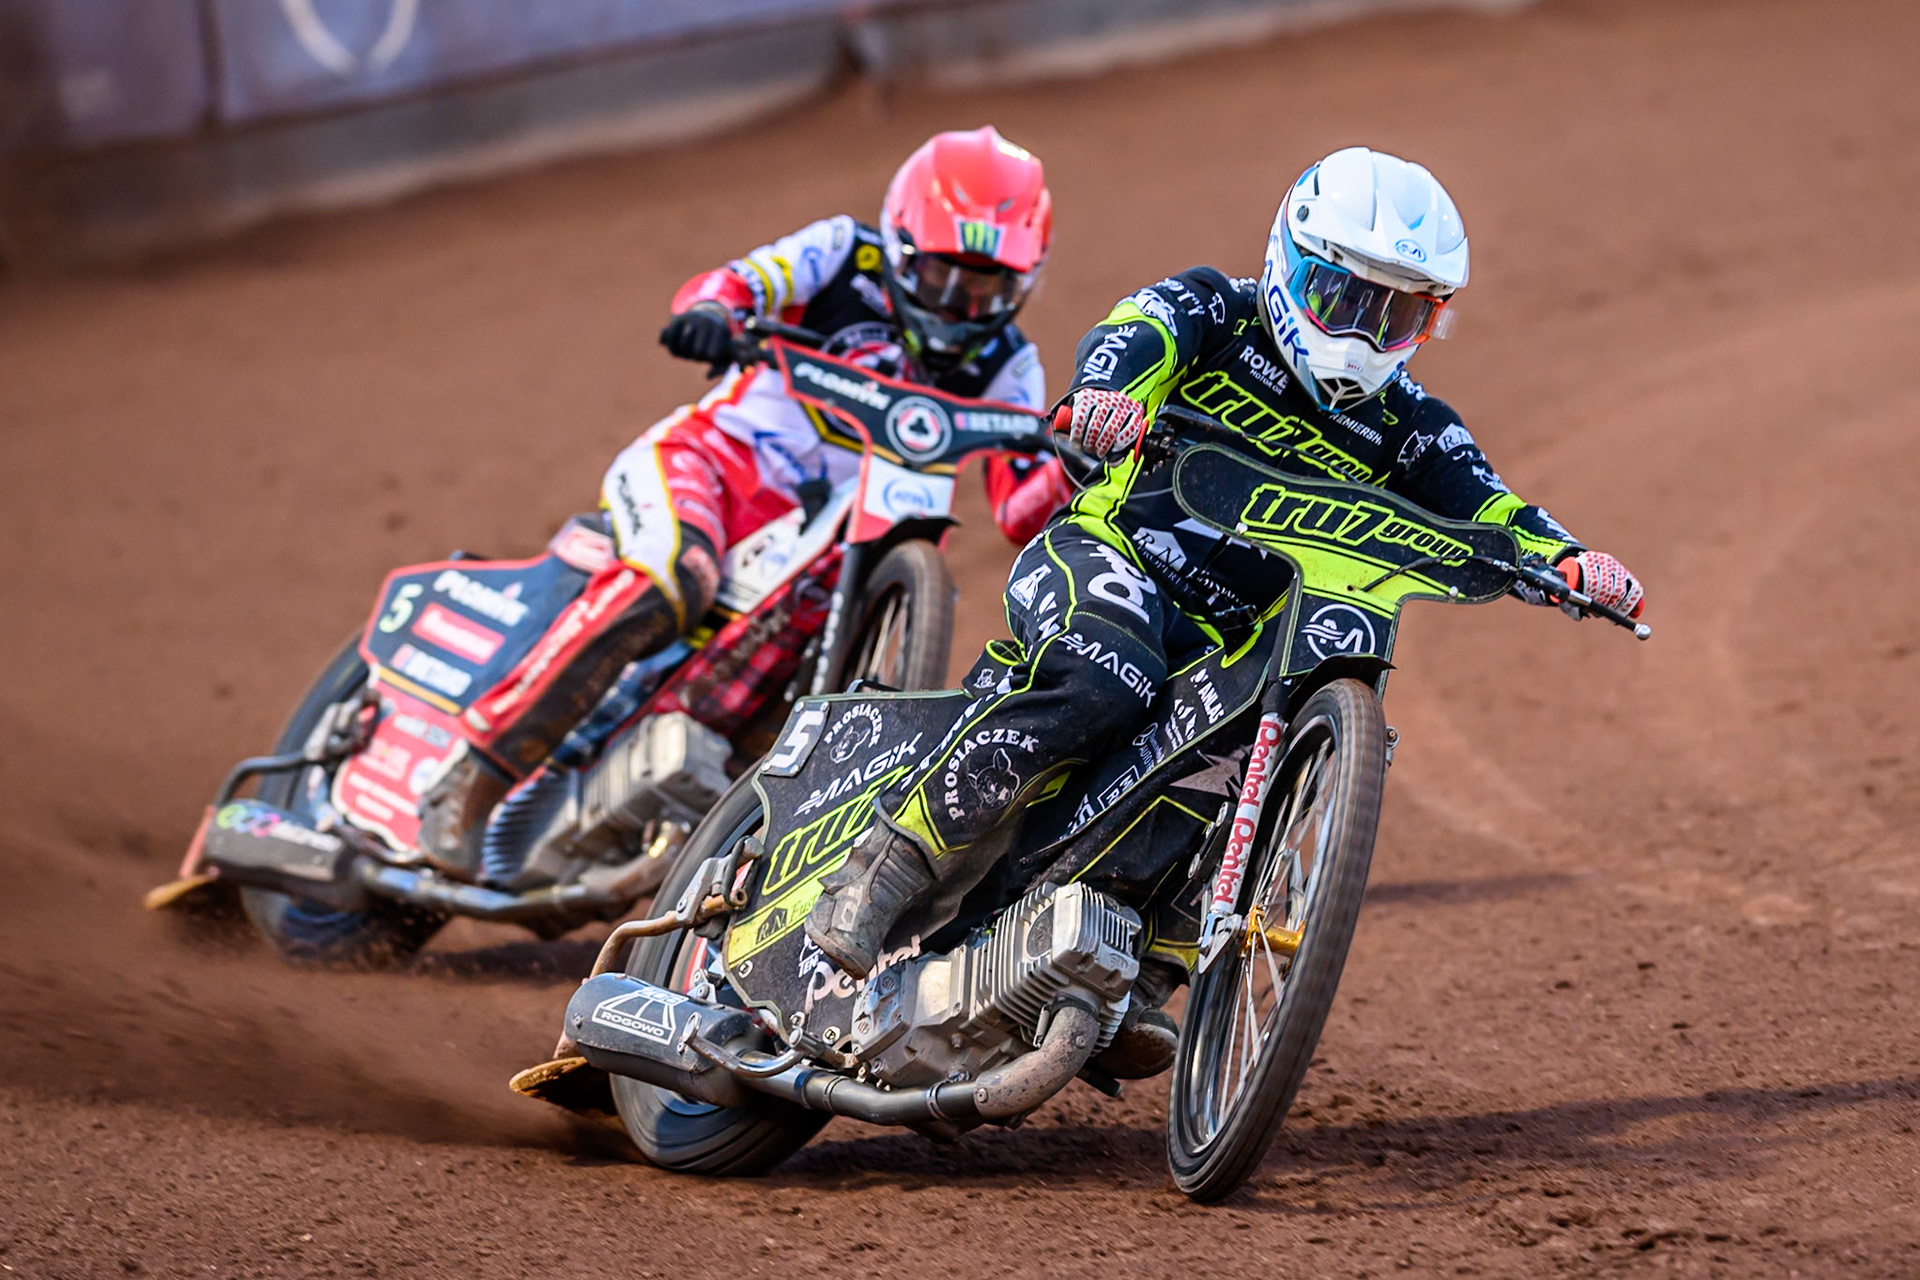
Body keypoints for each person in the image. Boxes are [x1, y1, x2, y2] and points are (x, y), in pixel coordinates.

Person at [806, 146, 1646, 1074]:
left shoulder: (1414, 426)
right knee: (1107, 676)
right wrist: (1105, 397)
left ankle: (1130, 975)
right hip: (1114, 557)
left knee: (1250, 751)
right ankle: (886, 867)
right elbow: (1131, 335)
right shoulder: (1212, 310)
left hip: (1231, 639)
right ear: (1291, 263)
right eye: (1345, 298)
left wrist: (1568, 559)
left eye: (1399, 313)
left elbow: (1491, 508)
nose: (1365, 335)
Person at [417, 125, 1072, 870]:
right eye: (941, 277)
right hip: (713, 467)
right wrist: (712, 315)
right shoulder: (839, 253)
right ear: (897, 245)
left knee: (781, 711)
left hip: (839, 550)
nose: (959, 306)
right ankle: (472, 775)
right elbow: (733, 285)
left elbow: (1019, 510)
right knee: (675, 578)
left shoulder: (1011, 365)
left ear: (1026, 281)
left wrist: (1074, 464)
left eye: (987, 288)